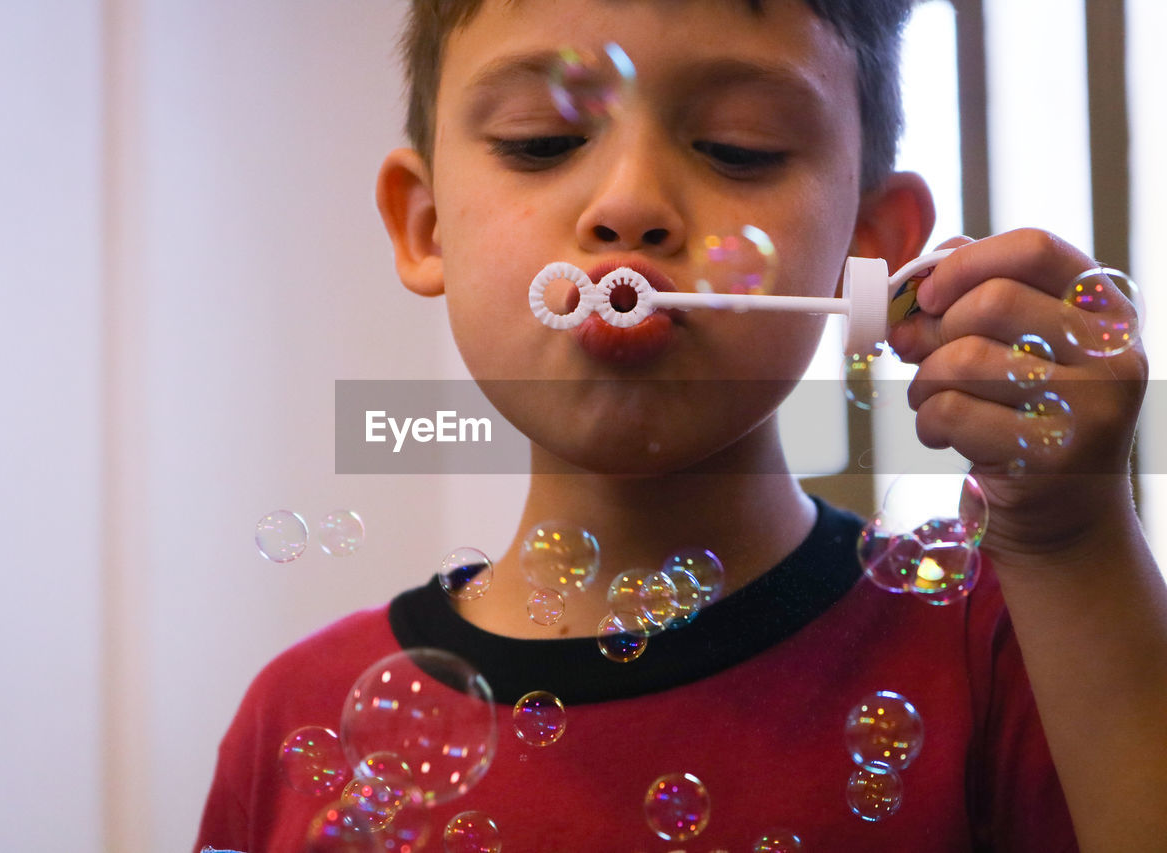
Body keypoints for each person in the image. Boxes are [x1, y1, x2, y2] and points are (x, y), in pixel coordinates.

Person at [196, 0, 1167, 850]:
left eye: (736, 147)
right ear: (425, 225)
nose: (627, 206)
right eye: (540, 140)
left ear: (864, 253)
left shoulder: (1014, 652)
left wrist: (1074, 542)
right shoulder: (296, 719)